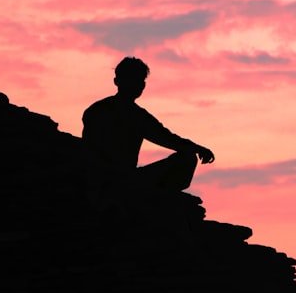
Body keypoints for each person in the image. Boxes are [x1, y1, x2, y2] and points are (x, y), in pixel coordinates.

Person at [82, 57, 214, 202]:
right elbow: (168, 139)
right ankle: (160, 198)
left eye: (140, 81)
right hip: (117, 182)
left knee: (187, 155)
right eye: (134, 80)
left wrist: (197, 147)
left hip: (111, 180)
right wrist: (197, 149)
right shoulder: (132, 116)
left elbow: (167, 137)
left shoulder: (97, 110)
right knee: (187, 157)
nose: (139, 85)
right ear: (118, 81)